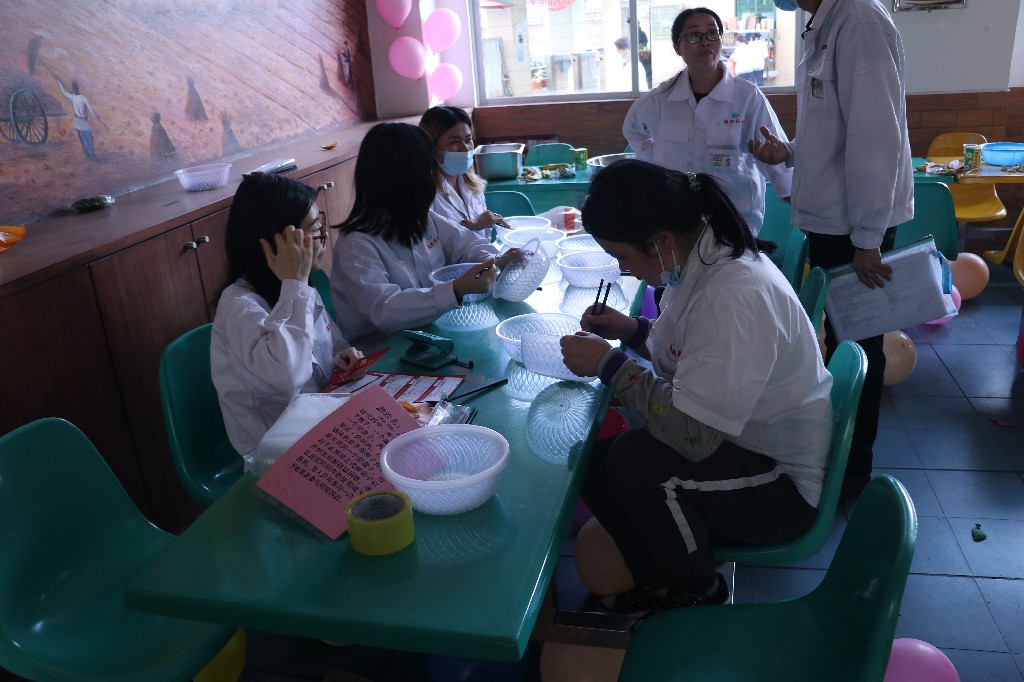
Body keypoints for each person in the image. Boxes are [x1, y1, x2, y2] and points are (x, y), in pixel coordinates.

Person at [559, 160, 832, 616]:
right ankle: (656, 578)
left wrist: (609, 365)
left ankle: (697, 589)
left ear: (661, 241)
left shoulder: (731, 294)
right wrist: (631, 330)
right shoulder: (699, 258)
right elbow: (692, 352)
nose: (622, 269)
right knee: (596, 463)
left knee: (634, 460)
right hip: (744, 442)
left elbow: (695, 435)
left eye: (622, 256)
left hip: (781, 485)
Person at [749, 0, 913, 499]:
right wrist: (789, 151)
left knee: (859, 346)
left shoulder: (859, 21)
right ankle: (838, 451)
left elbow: (876, 139)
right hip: (837, 223)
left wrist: (867, 239)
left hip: (854, 228)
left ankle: (852, 469)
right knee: (842, 342)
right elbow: (836, 127)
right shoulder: (824, 21)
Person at [211, 173, 365, 456]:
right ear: (276, 244)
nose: (323, 239)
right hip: (277, 455)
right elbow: (287, 378)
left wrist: (343, 358)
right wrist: (295, 283)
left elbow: (332, 347)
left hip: (323, 425)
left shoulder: (300, 289)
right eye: (314, 231)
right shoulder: (240, 306)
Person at [331, 122, 515, 344]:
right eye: (427, 169)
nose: (432, 176)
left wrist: (494, 261)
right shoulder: (356, 244)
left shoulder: (421, 218)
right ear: (402, 177)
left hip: (428, 335)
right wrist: (455, 289)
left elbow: (466, 243)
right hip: (381, 351)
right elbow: (385, 310)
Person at [623, 7, 792, 237]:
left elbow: (776, 151)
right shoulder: (660, 100)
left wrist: (791, 197)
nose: (705, 41)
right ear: (677, 47)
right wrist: (655, 162)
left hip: (736, 222)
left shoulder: (747, 98)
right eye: (694, 35)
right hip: (677, 223)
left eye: (712, 33)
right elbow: (632, 128)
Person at [418, 106, 506, 232]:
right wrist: (472, 224)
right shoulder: (424, 194)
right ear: (431, 146)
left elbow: (483, 237)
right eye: (455, 142)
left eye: (468, 140)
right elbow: (428, 239)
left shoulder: (471, 184)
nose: (465, 148)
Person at [55, 77, 99, 159]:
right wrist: (96, 117)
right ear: (78, 88)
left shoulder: (72, 97)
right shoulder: (83, 98)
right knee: (88, 138)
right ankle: (92, 154)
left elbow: (63, 92)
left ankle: (87, 154)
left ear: (73, 89)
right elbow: (90, 110)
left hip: (78, 121)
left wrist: (59, 82)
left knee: (83, 139)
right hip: (83, 121)